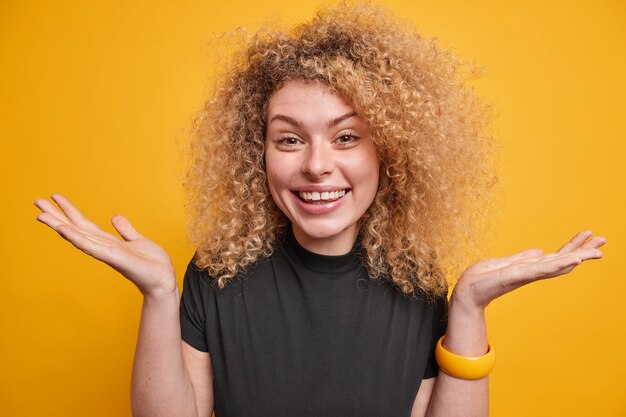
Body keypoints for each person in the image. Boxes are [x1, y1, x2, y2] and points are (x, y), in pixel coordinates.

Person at [34, 3, 606, 417]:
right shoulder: (215, 277)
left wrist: (470, 305)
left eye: (346, 138)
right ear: (254, 154)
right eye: (288, 139)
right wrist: (159, 295)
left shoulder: (419, 286)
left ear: (389, 149)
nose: (315, 166)